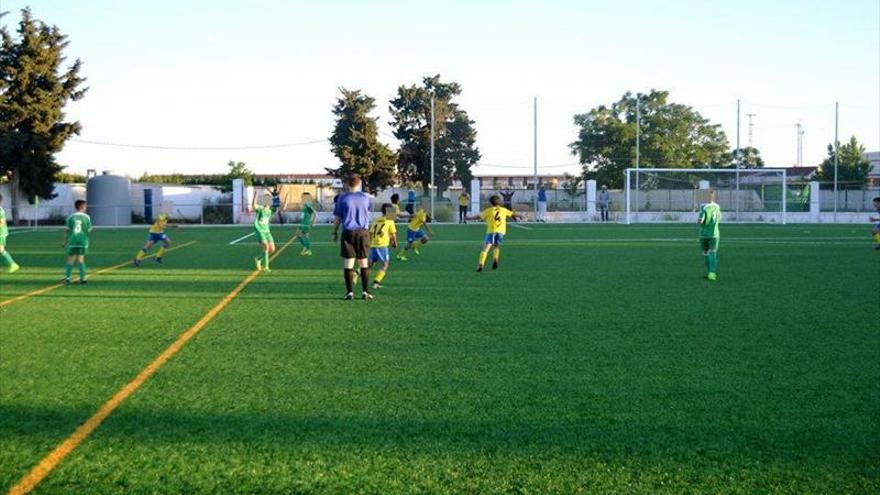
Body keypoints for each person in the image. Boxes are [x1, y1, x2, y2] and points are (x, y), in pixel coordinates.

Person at [332, 175, 373, 300]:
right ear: (359, 183)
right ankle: (365, 292)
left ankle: (350, 292)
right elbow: (368, 212)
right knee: (363, 262)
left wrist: (334, 232)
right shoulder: (366, 197)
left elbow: (338, 218)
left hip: (348, 232)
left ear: (347, 184)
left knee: (348, 263)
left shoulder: (342, 198)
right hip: (363, 232)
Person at [469, 194, 521, 272]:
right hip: (501, 232)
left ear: (491, 202)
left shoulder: (489, 211)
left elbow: (479, 216)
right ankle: (495, 259)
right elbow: (512, 214)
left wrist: (469, 218)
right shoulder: (503, 210)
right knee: (496, 246)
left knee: (485, 249)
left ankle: (481, 265)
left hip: (491, 231)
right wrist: (521, 215)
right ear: (499, 202)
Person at [62, 199, 92, 284]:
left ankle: (67, 278)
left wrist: (64, 242)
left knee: (70, 259)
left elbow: (67, 230)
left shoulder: (70, 217)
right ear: (83, 207)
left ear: (75, 207)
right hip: (83, 241)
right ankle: (83, 278)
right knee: (81, 259)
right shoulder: (87, 217)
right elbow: (89, 230)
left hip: (73, 240)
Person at [368, 203, 398, 289]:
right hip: (382, 245)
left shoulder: (377, 219)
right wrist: (394, 243)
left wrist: (370, 243)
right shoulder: (390, 220)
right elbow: (393, 234)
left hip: (373, 244)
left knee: (371, 263)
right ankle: (376, 282)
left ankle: (357, 273)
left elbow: (370, 232)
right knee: (385, 264)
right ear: (389, 211)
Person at [253, 190, 281, 272]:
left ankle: (258, 259)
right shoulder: (260, 209)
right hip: (260, 230)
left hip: (267, 232)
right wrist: (255, 196)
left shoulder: (271, 210)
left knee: (272, 249)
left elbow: (280, 207)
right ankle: (266, 267)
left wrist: (283, 200)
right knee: (266, 247)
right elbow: (254, 205)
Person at [697, 189, 722, 281]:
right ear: (713, 196)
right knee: (713, 253)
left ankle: (710, 273)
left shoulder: (703, 207)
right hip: (714, 234)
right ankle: (712, 273)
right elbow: (719, 218)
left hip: (704, 234)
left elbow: (701, 221)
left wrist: (698, 220)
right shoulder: (717, 206)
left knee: (706, 253)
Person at [0, 193, 20, 274]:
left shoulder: (0, 210)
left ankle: (13, 264)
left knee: (1, 250)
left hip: (1, 233)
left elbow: (2, 223)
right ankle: (12, 264)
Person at [293, 192, 317, 256]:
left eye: (303, 196)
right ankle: (306, 247)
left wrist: (313, 222)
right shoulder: (305, 204)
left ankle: (308, 250)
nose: (301, 197)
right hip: (303, 223)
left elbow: (315, 213)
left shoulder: (308, 204)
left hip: (306, 223)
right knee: (298, 234)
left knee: (305, 236)